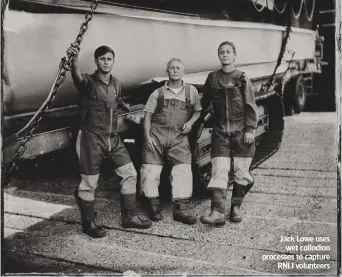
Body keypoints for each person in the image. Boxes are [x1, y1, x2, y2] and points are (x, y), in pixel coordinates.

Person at [67, 44, 152, 238]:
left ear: (114, 61)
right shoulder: (88, 81)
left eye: (109, 59)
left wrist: (125, 106)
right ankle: (88, 223)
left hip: (113, 138)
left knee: (130, 173)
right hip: (92, 138)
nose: (106, 62)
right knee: (89, 182)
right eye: (102, 59)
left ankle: (129, 216)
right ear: (96, 62)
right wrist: (74, 61)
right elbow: (77, 78)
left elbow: (117, 100)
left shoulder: (116, 83)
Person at [200, 41, 258, 226]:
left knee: (241, 172)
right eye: (221, 52)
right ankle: (217, 212)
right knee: (219, 171)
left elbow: (250, 104)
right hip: (220, 133)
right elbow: (204, 102)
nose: (224, 55)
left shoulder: (241, 77)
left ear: (234, 56)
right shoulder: (212, 78)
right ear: (219, 56)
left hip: (241, 132)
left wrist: (250, 129)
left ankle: (236, 207)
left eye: (228, 52)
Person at [140, 58, 202, 224]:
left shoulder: (191, 92)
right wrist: (147, 137)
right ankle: (153, 207)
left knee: (182, 170)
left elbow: (197, 111)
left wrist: (190, 123)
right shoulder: (158, 93)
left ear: (183, 72)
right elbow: (147, 116)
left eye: (178, 68)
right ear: (167, 72)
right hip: (156, 135)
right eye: (172, 68)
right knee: (150, 171)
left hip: (178, 137)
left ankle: (181, 210)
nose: (175, 70)